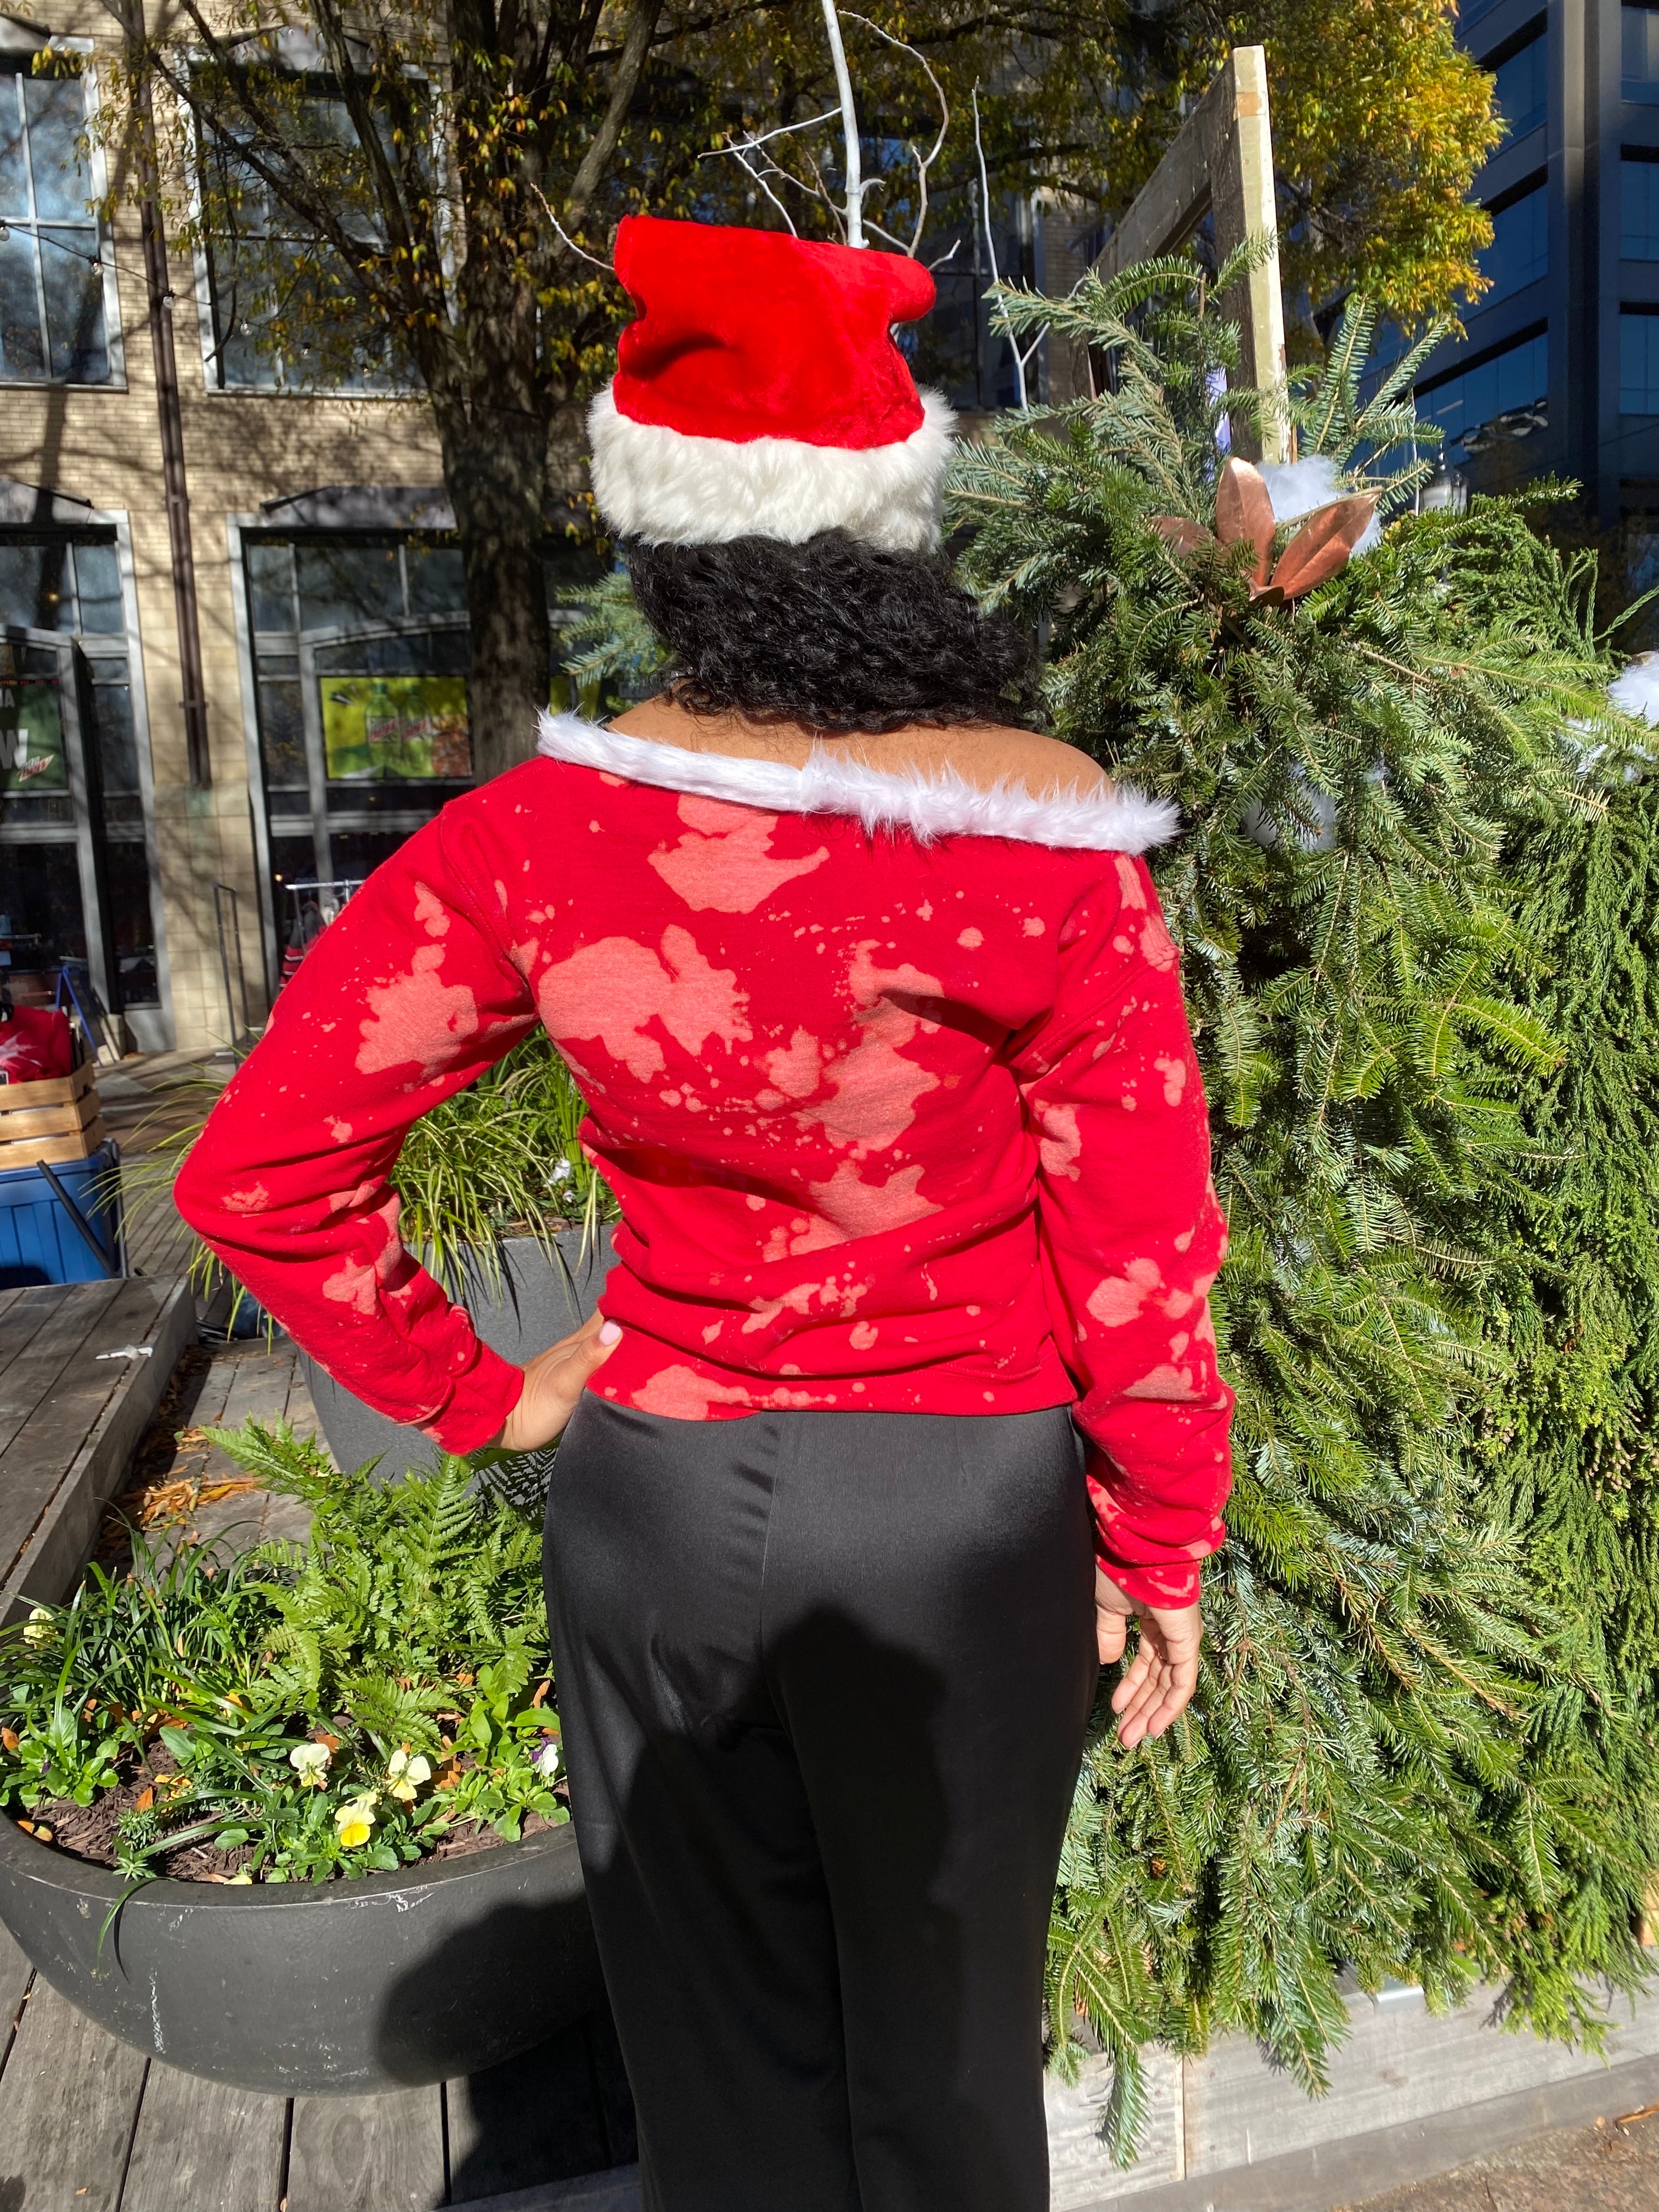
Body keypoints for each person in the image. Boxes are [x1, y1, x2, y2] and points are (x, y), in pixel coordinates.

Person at [176, 213, 1233, 2212]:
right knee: (943, 2069)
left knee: (715, 2076)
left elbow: (263, 1168)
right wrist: (1160, 1544)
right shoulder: (1045, 852)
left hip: (657, 1497)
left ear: (661, 544)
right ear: (894, 530)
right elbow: (1145, 1253)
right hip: (956, 1517)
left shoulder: (533, 841)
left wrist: (483, 1393)